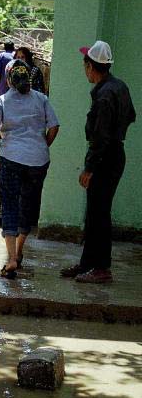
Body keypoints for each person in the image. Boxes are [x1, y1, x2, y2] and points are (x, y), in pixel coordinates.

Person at [60, 40, 136, 284]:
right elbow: (131, 116)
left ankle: (101, 268)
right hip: (114, 154)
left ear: (90, 67)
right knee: (95, 213)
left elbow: (100, 137)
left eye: (85, 65)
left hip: (105, 158)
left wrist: (90, 168)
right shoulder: (119, 86)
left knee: (99, 214)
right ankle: (88, 264)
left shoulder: (104, 95)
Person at [0, 59, 60, 278]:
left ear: (8, 80)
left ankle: (10, 260)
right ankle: (18, 253)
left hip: (11, 158)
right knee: (27, 206)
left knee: (10, 205)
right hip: (38, 162)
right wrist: (42, 145)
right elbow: (54, 126)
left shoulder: (1, 101)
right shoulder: (42, 99)